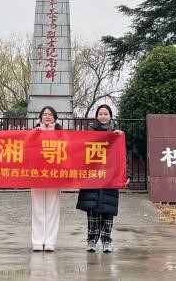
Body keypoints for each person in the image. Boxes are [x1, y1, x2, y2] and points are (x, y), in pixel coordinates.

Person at [76, 104, 130, 253]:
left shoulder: (117, 134)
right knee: (92, 211)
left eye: (106, 114)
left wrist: (127, 174)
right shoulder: (89, 133)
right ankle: (91, 240)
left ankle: (106, 240)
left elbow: (123, 157)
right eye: (100, 114)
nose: (103, 116)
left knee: (108, 210)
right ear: (97, 116)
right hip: (93, 177)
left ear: (110, 116)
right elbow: (80, 153)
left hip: (110, 177)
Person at [30, 105, 63, 252]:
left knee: (52, 208)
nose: (47, 116)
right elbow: (27, 150)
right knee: (37, 209)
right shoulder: (34, 132)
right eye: (45, 114)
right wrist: (34, 135)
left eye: (50, 114)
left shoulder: (60, 133)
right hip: (37, 174)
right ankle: (37, 241)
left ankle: (50, 241)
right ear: (40, 117)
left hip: (54, 175)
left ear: (54, 117)